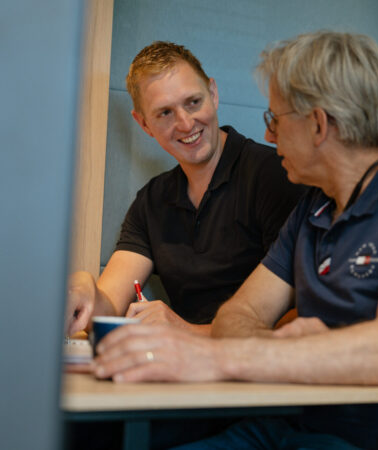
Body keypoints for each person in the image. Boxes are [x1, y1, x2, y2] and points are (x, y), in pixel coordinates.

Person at [92, 31, 378, 449]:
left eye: (275, 120)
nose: (269, 136)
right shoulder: (314, 208)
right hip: (291, 427)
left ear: (317, 124)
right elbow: (239, 315)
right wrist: (279, 346)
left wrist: (218, 356)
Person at [65, 41, 305, 336]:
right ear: (144, 124)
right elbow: (108, 307)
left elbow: (297, 318)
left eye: (193, 102)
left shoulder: (275, 176)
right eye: (165, 113)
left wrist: (186, 332)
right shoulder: (151, 201)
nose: (185, 123)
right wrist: (86, 291)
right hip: (178, 361)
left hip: (255, 361)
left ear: (213, 94)